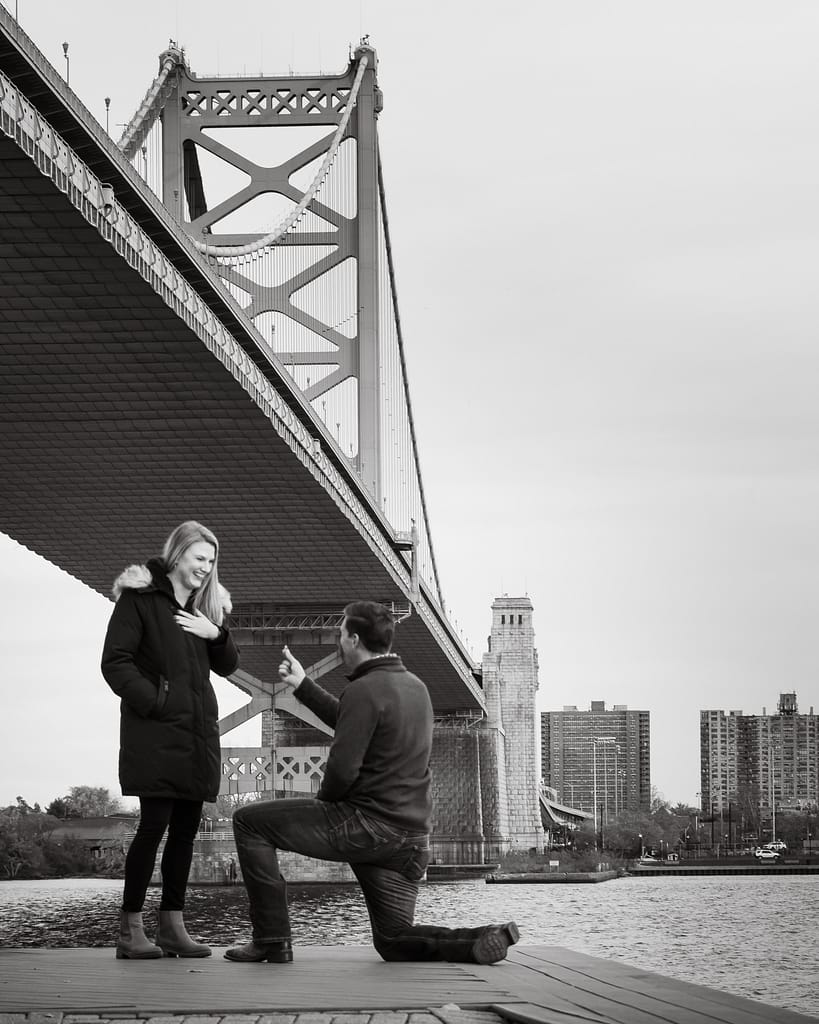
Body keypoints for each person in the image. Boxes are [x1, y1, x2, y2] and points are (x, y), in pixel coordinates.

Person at [226, 600, 519, 965]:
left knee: (249, 822)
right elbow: (350, 719)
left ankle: (271, 940)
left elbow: (342, 770)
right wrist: (302, 685)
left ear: (353, 639)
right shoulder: (415, 688)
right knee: (393, 940)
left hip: (367, 828)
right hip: (411, 840)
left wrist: (324, 809)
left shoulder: (364, 690)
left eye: (340, 633)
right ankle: (479, 939)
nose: (338, 641)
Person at [101, 520, 239, 960]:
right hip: (157, 735)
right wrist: (156, 703)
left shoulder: (204, 610)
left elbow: (229, 665)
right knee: (153, 828)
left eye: (211, 561)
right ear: (177, 555)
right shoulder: (139, 601)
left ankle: (173, 927)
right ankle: (129, 930)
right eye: (200, 558)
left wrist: (214, 632)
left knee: (184, 833)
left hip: (196, 738)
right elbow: (115, 662)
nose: (206, 568)